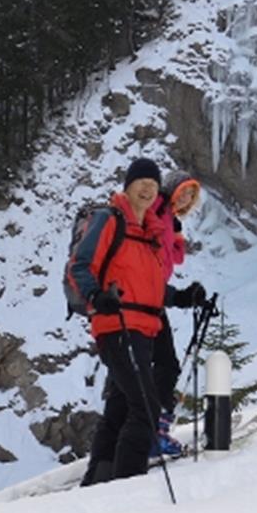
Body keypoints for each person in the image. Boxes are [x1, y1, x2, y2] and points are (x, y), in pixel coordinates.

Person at [71, 158, 203, 485]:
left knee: (120, 408)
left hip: (143, 328)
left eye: (153, 183)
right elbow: (81, 266)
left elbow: (151, 287)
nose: (147, 188)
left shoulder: (152, 234)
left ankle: (97, 483)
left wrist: (181, 298)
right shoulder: (109, 219)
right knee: (144, 409)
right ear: (128, 186)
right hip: (117, 325)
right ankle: (125, 489)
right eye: (140, 182)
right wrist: (96, 296)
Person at [151, 170, 205, 455]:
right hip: (145, 300)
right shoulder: (159, 214)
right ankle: (154, 432)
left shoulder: (168, 219)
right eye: (183, 191)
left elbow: (162, 266)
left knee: (162, 366)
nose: (186, 197)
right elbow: (151, 267)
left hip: (152, 299)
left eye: (191, 195)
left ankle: (151, 429)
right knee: (165, 366)